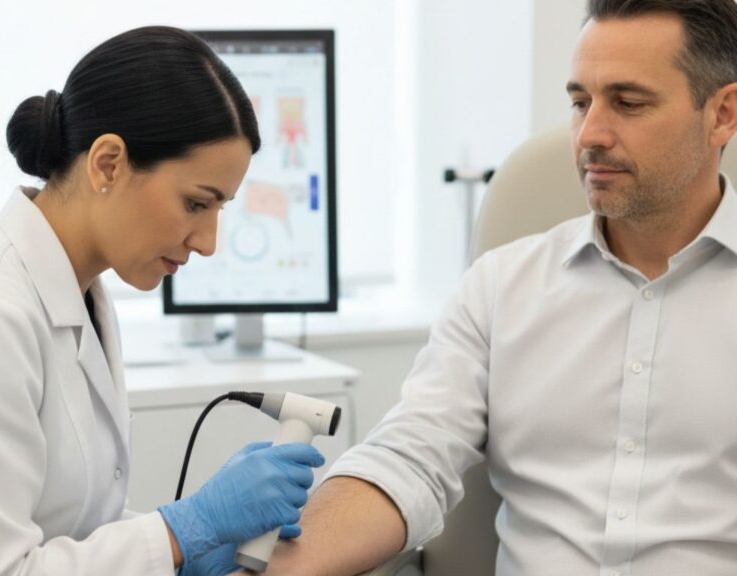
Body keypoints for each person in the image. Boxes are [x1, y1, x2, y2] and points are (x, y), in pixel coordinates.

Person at [0, 26, 324, 576]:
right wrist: (182, 530)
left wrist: (185, 546)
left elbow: (63, 527)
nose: (209, 241)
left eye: (222, 209)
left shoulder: (80, 295)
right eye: (197, 203)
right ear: (107, 163)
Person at [249, 1, 737, 575]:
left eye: (628, 103)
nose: (589, 134)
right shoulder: (501, 288)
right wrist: (268, 572)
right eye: (580, 102)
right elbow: (409, 457)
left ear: (723, 114)